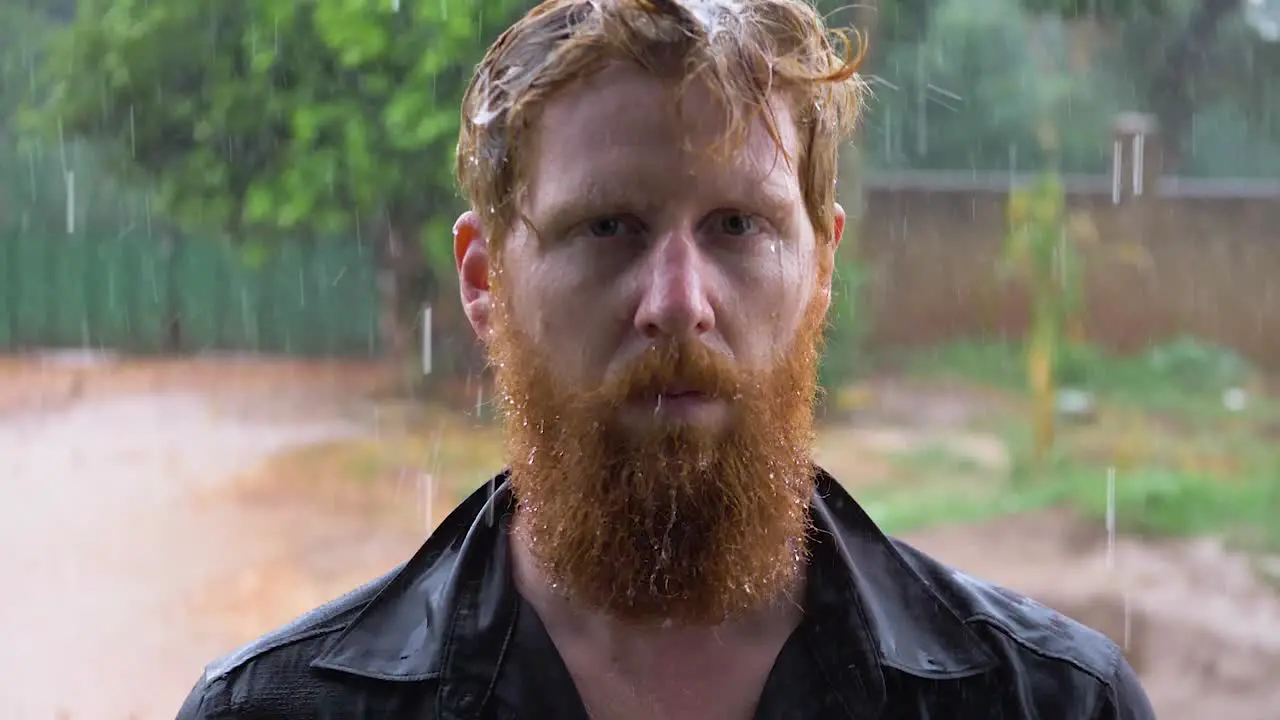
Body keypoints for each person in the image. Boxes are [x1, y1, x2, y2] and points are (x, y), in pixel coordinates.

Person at [177, 0, 1157, 717]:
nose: (677, 304)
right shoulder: (274, 714)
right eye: (606, 226)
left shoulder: (1049, 705)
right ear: (485, 283)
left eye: (737, 225)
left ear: (822, 268)